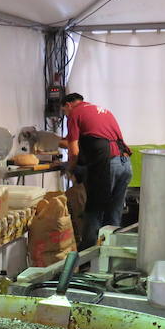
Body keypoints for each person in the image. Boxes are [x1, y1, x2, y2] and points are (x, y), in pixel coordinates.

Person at [61, 93, 132, 249]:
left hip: (108, 163)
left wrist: (70, 169)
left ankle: (87, 257)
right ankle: (110, 255)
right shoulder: (102, 110)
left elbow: (73, 151)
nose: (66, 115)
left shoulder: (75, 113)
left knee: (95, 209)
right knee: (114, 212)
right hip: (125, 163)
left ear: (68, 105)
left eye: (64, 112)